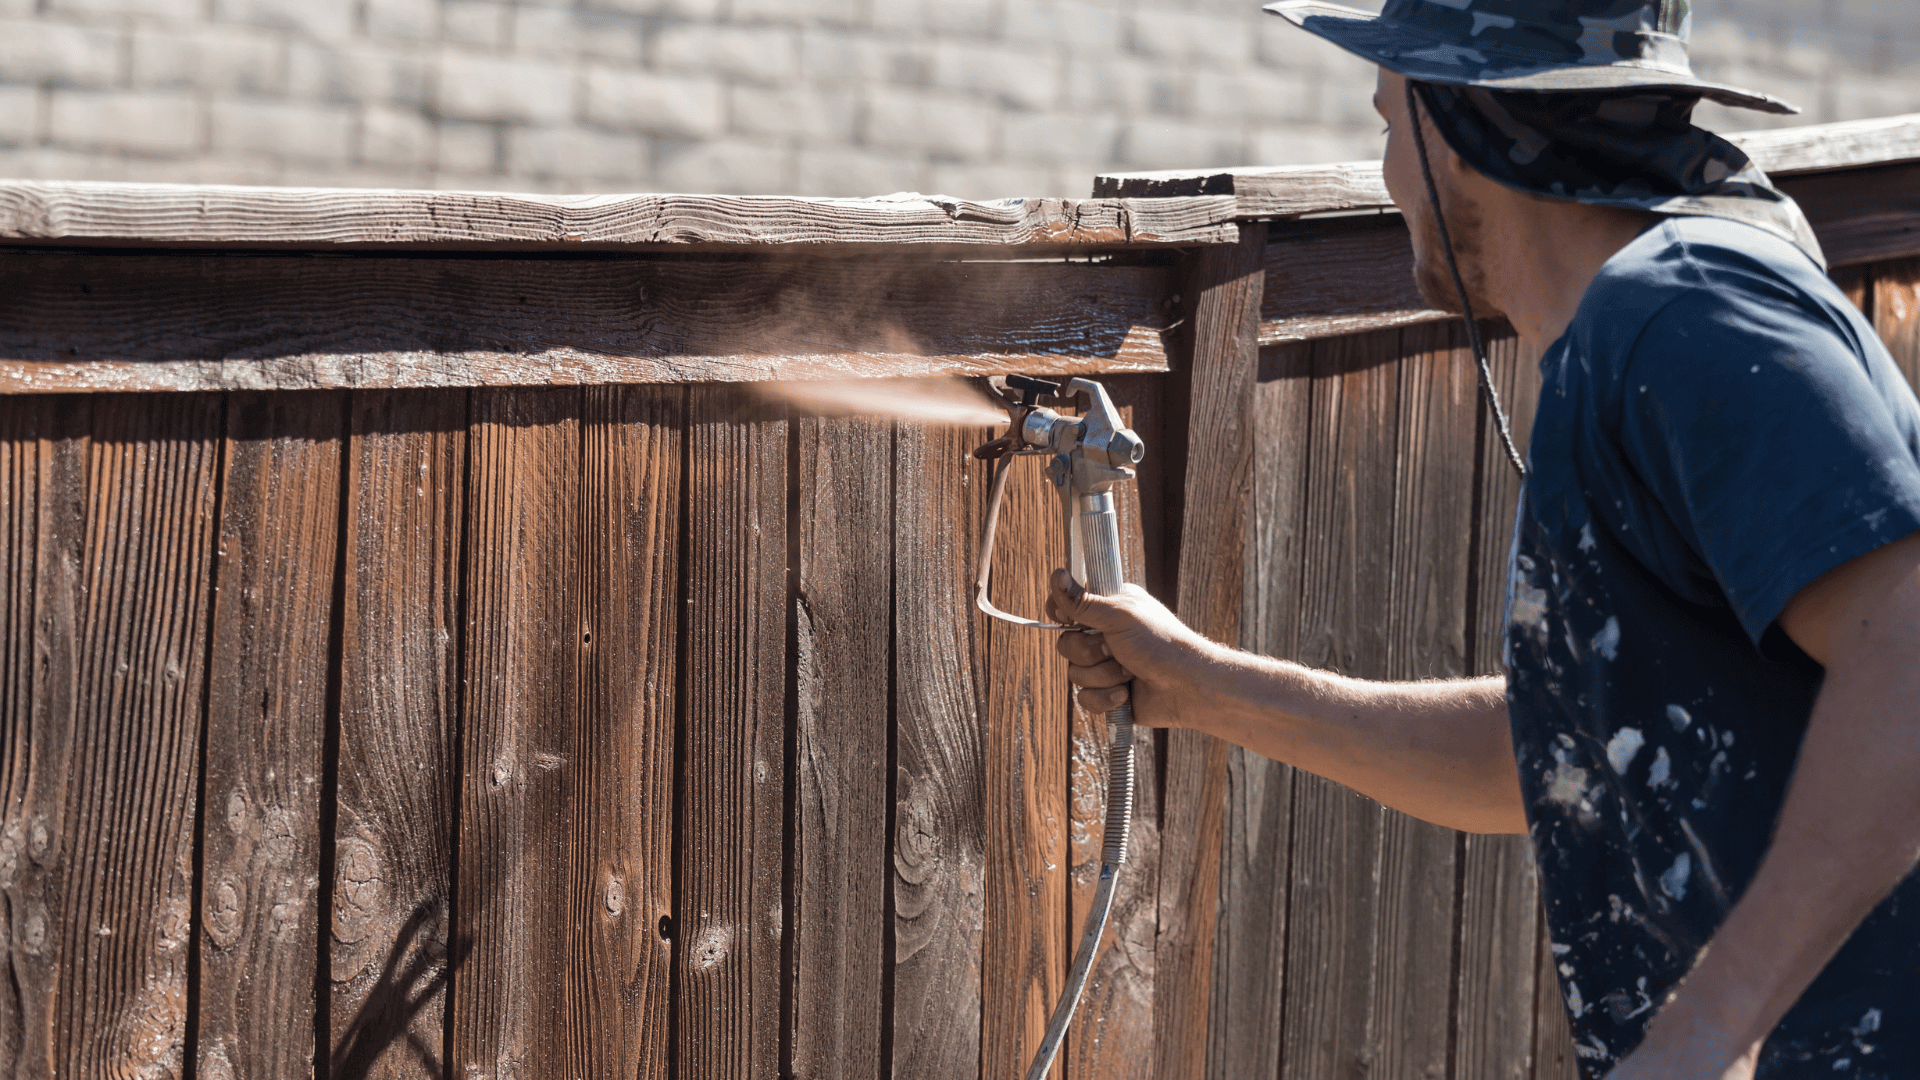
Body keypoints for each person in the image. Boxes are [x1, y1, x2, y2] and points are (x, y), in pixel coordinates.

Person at [1047, 2, 1920, 1078]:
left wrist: (1706, 1030)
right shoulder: (1628, 335)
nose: (1388, 179)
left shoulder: (1689, 313)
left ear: (1458, 117)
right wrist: (1198, 687)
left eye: (1386, 124)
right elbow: (1567, 755)